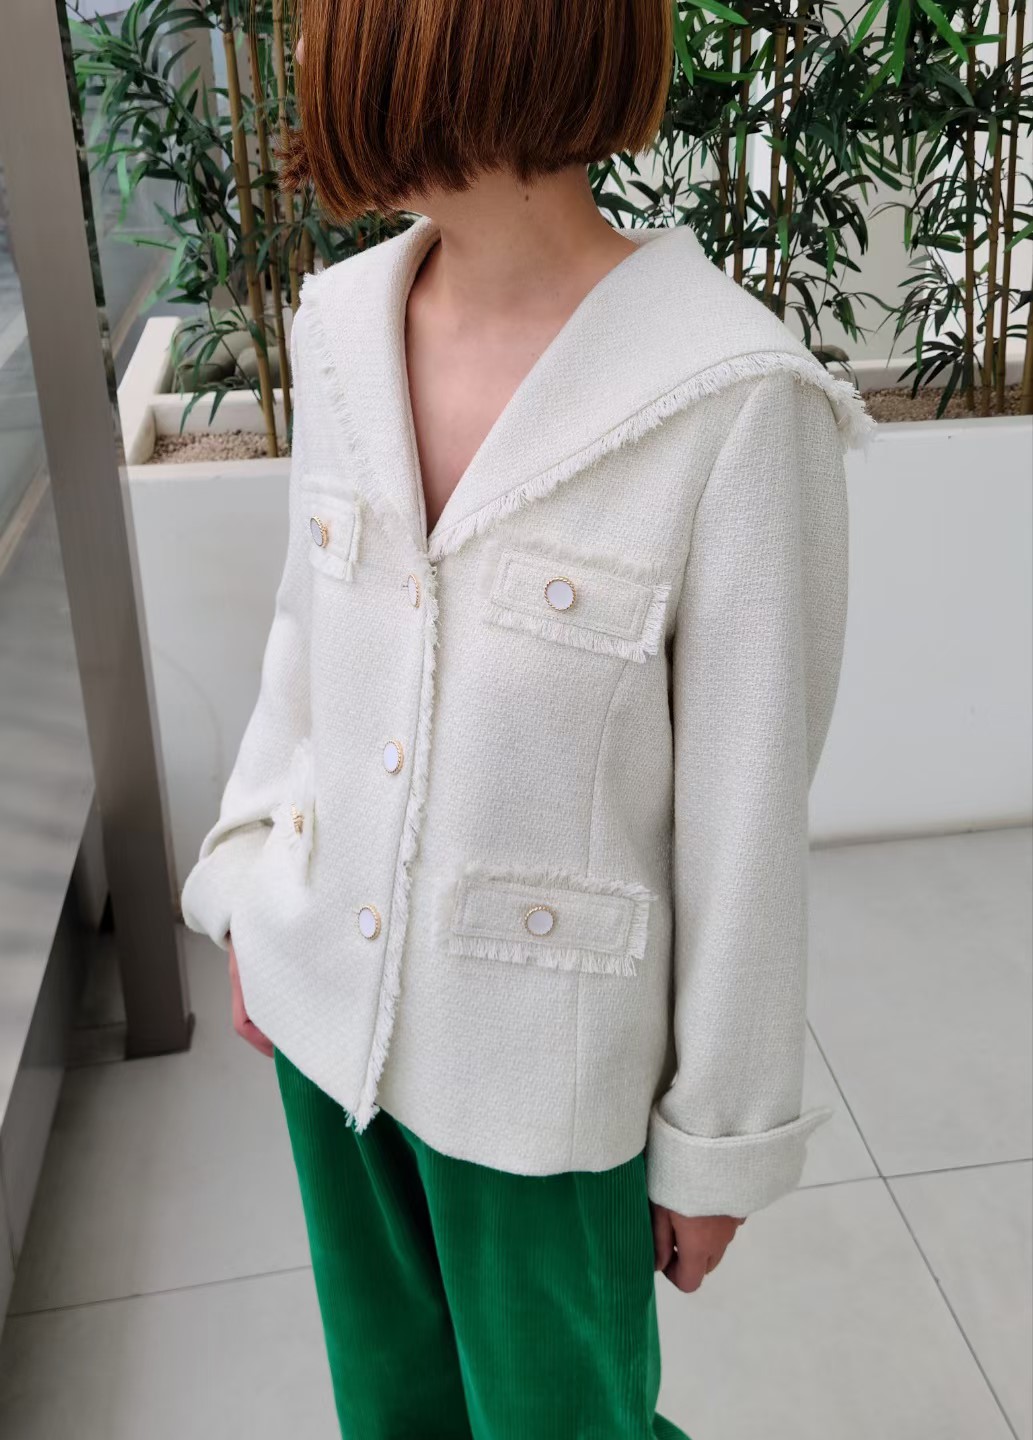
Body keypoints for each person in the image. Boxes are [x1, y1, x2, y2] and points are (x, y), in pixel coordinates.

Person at [180, 1, 868, 1435]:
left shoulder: (733, 399)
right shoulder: (340, 322)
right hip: (326, 1017)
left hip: (542, 1081)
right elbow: (309, 640)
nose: (310, 64)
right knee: (393, 1411)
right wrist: (247, 878)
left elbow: (744, 822)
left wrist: (716, 1140)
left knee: (566, 1421)